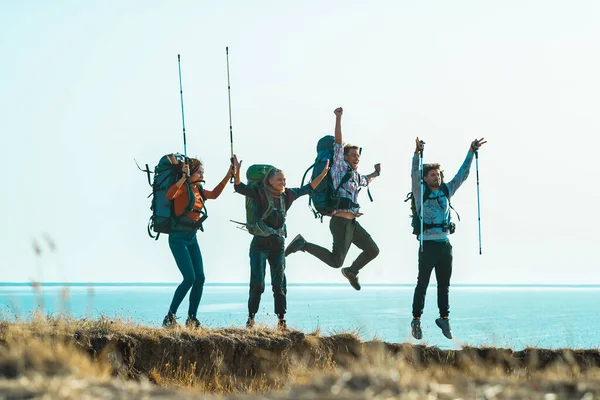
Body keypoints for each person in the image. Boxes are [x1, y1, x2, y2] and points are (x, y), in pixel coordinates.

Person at [284, 107, 381, 291]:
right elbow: (338, 143)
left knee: (372, 250)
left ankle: (351, 271)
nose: (356, 159)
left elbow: (366, 180)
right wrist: (338, 119)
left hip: (352, 224)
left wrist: (376, 173)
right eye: (353, 155)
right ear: (344, 156)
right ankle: (302, 244)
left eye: (358, 157)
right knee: (336, 262)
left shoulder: (355, 175)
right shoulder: (338, 168)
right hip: (340, 223)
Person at [233, 154, 329, 330]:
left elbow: (308, 188)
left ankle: (281, 321)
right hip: (259, 245)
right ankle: (251, 319)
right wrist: (237, 172)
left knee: (280, 284)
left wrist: (323, 174)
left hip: (278, 245)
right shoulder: (259, 193)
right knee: (258, 284)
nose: (283, 182)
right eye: (279, 179)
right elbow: (239, 188)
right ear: (269, 181)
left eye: (284, 179)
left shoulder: (288, 195)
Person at [410, 137, 486, 340]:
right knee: (423, 284)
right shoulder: (420, 192)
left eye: (438, 175)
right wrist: (416, 153)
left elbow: (463, 174)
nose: (437, 177)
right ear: (425, 178)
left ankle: (444, 318)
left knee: (444, 285)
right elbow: (414, 173)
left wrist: (471, 151)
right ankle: (416, 320)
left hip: (444, 245)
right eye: (433, 175)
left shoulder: (447, 190)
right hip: (427, 245)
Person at [162, 158, 233, 328]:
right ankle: (169, 318)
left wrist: (228, 175)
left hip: (192, 237)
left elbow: (214, 194)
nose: (202, 174)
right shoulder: (183, 188)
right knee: (189, 278)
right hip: (177, 238)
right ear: (190, 172)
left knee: (200, 278)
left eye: (203, 171)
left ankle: (192, 319)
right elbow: (169, 195)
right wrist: (183, 178)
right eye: (199, 171)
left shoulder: (198, 189)